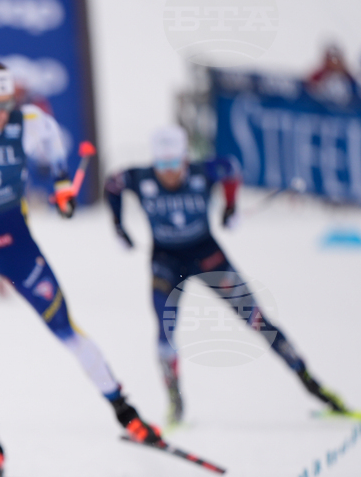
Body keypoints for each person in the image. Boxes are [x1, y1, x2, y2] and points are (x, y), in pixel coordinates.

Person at [0, 59, 162, 477]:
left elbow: (50, 137)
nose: (1, 114)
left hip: (17, 251)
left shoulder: (28, 119)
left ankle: (126, 413)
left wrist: (61, 181)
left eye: (7, 103)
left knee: (67, 330)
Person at [104, 125, 349, 424]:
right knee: (165, 327)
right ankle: (175, 405)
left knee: (258, 320)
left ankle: (314, 386)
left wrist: (230, 209)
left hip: (207, 255)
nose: (169, 172)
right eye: (162, 164)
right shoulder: (139, 177)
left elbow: (231, 168)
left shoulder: (202, 172)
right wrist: (118, 228)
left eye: (175, 163)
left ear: (185, 158)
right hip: (166, 260)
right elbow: (112, 185)